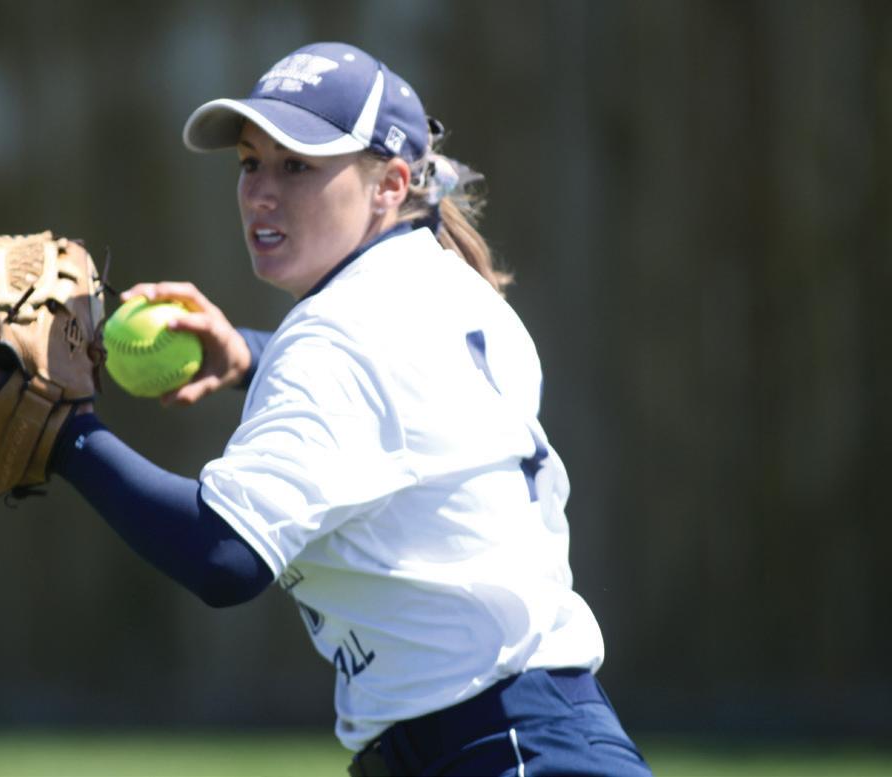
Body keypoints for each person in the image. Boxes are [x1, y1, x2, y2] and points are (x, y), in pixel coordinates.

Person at [50, 42, 652, 776]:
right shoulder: (455, 288)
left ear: (390, 184)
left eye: (297, 166)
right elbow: (393, 397)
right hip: (539, 733)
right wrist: (246, 354)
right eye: (250, 163)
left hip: (499, 750)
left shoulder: (337, 334)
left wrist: (65, 435)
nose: (261, 192)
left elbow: (223, 554)